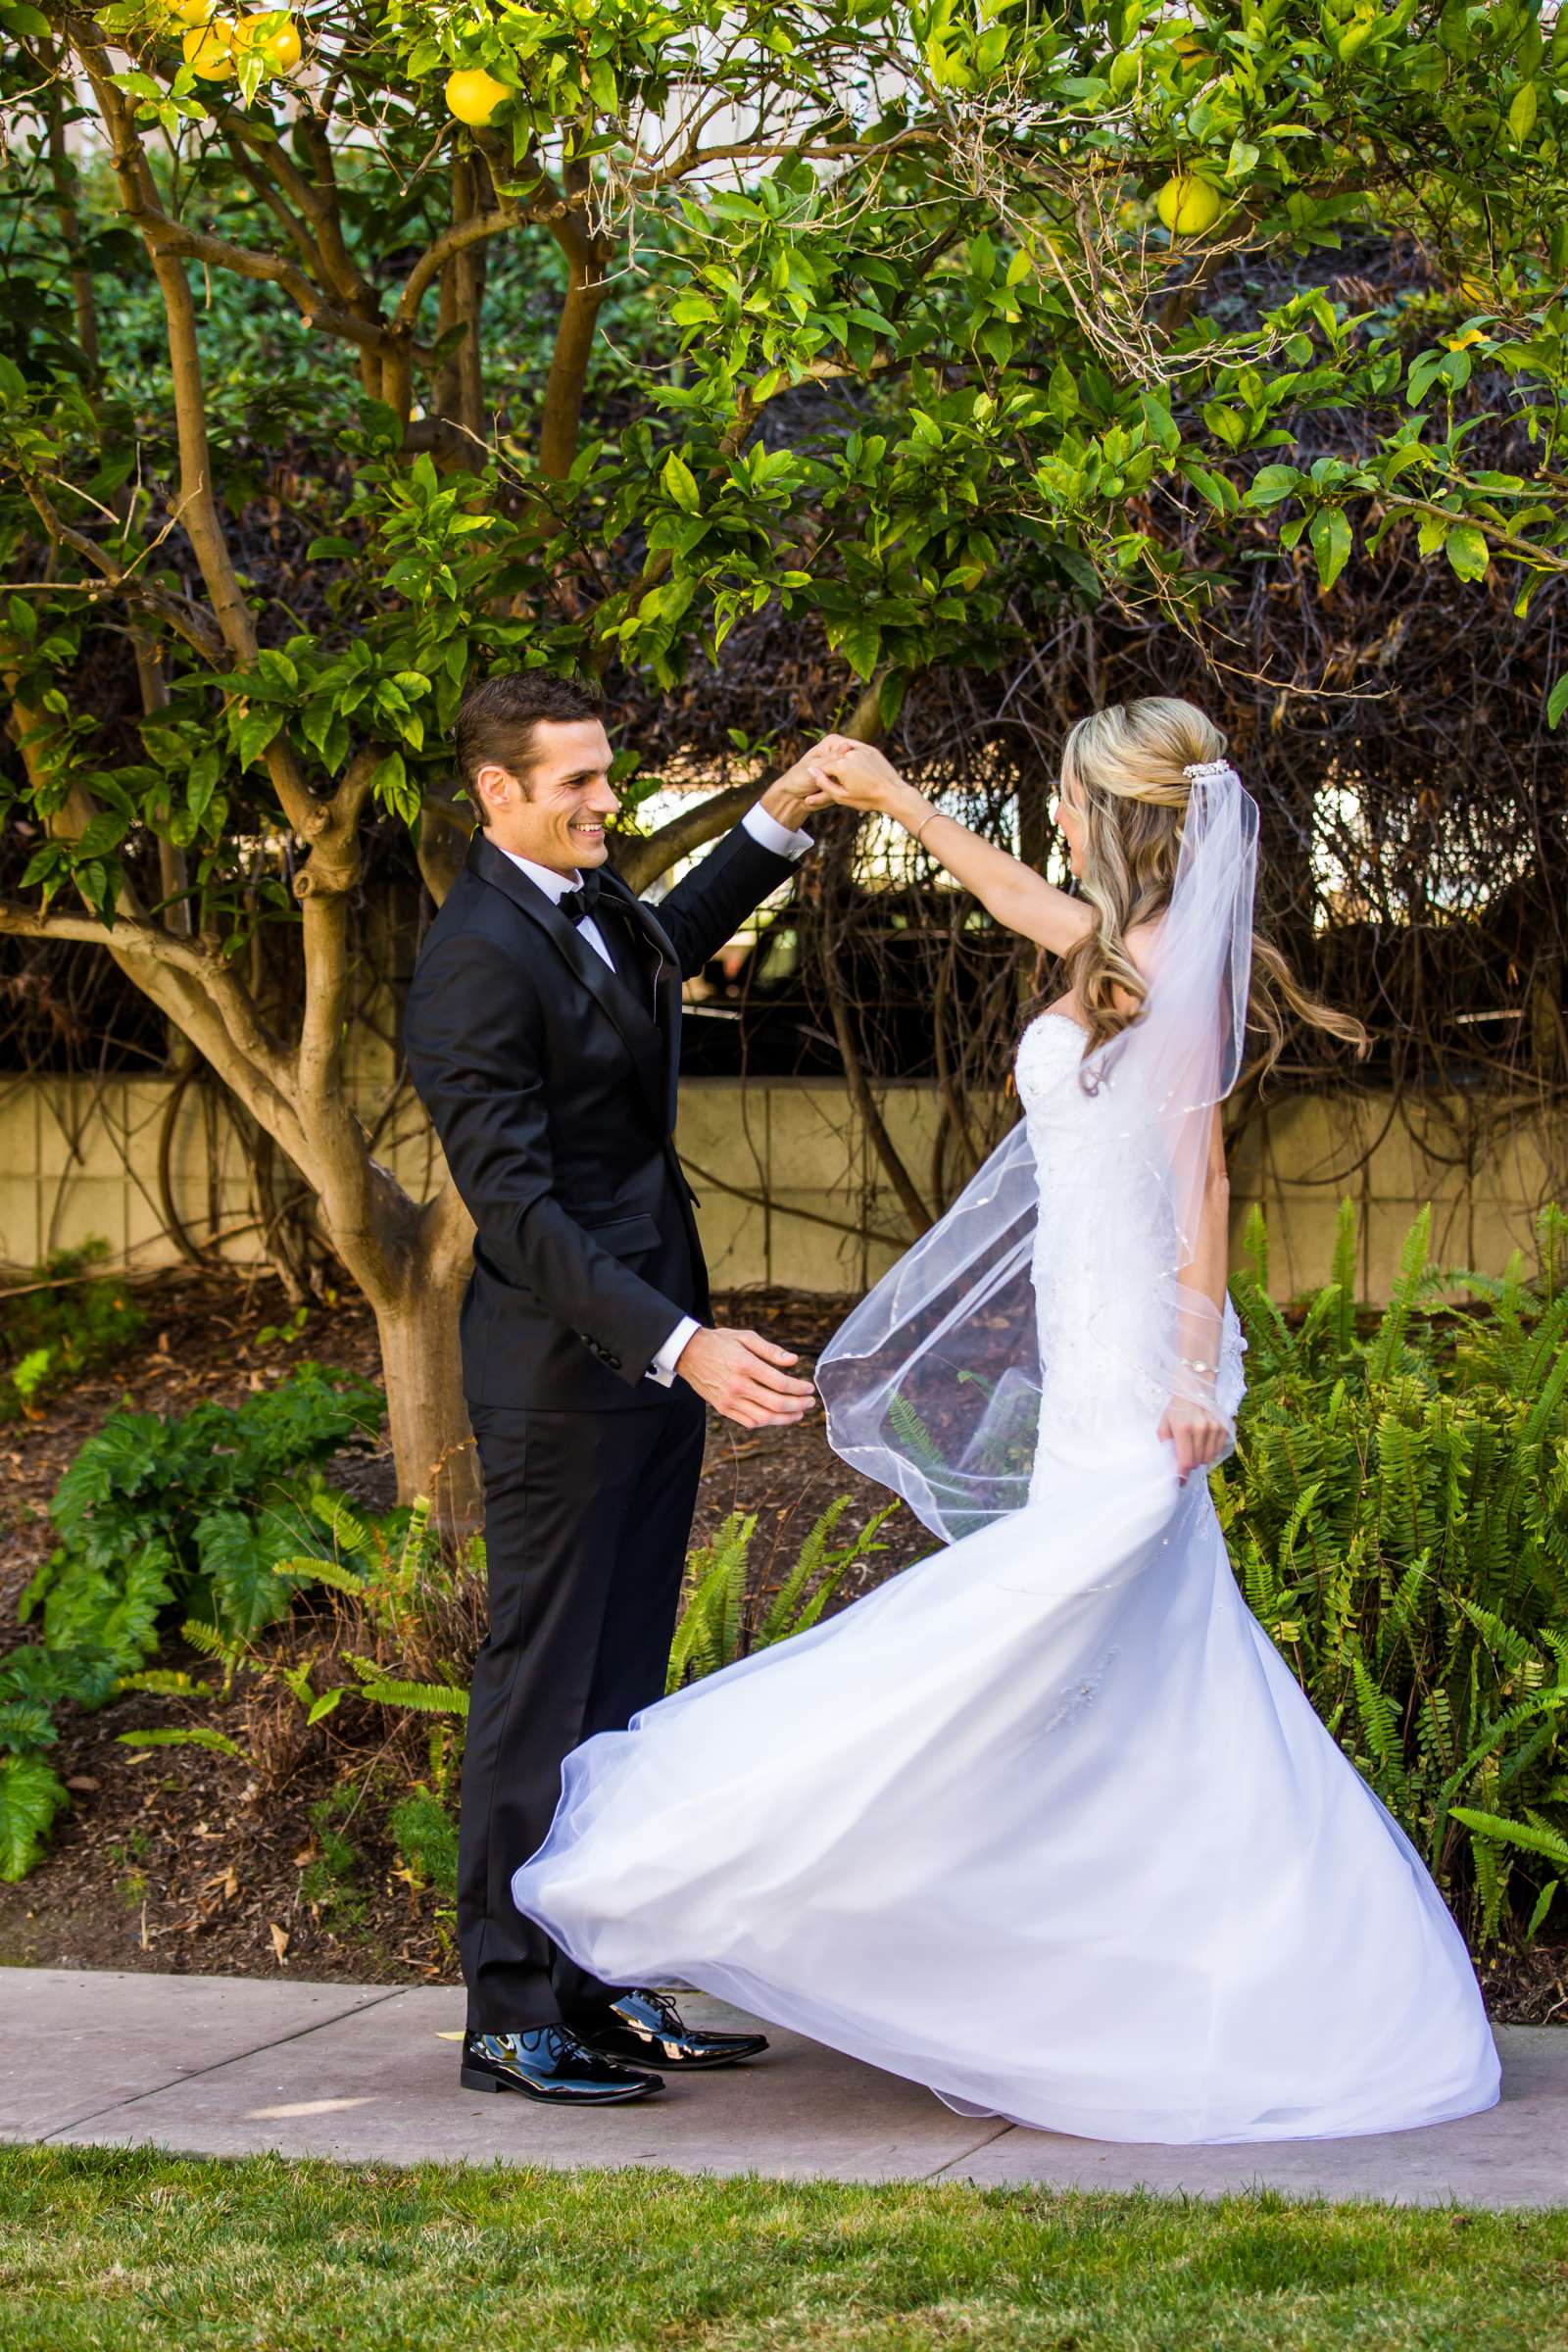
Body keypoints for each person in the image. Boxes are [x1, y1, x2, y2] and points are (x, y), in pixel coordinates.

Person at [509, 696, 1502, 2145]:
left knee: (1031, 1645)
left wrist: (1184, 1378)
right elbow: (1016, 894)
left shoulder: (1169, 964)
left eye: (1072, 798)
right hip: (1095, 1357)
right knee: (1137, 1675)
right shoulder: (1106, 942)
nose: (1061, 817)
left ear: (1125, 814)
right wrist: (902, 804)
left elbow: (1204, 1183)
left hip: (1136, 1379)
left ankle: (751, 1857)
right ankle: (1134, 1969)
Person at [405, 670, 853, 2107]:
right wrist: (680, 1344)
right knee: (541, 1691)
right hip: (566, 1376)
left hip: (654, 1363)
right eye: (580, 784)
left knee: (618, 1695)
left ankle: (594, 1979)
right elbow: (517, 1214)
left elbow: (661, 949)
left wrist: (777, 824)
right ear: (499, 791)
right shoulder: (476, 956)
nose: (611, 801)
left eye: (609, 775)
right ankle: (510, 2008)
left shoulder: (583, 907)